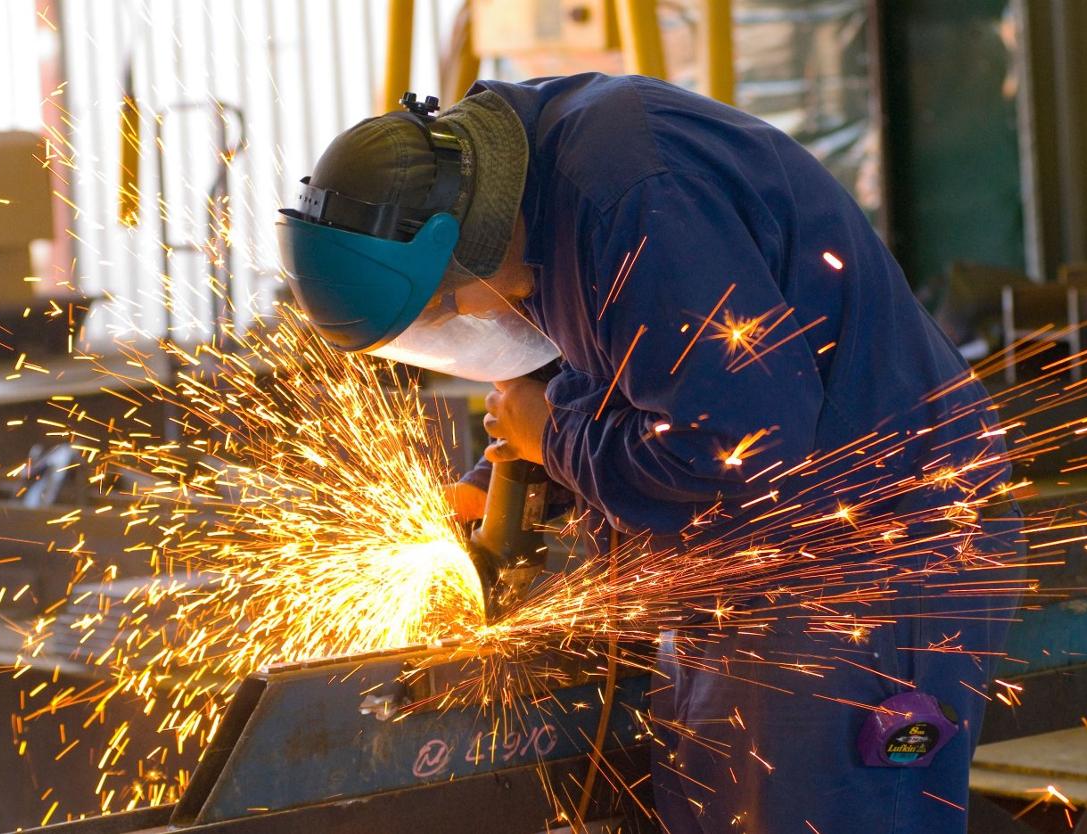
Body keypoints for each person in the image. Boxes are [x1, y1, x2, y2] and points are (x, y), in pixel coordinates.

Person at [277, 74, 1022, 833]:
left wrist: (555, 440)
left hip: (865, 569)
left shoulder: (637, 199)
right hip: (751, 582)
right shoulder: (527, 180)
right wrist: (508, 474)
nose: (468, 317)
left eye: (450, 304)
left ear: (460, 242)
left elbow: (739, 445)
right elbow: (634, 365)